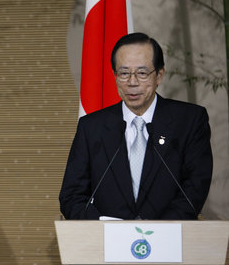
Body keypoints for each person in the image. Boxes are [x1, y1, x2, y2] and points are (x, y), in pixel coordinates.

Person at [59, 32, 212, 220]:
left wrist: (156, 230)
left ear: (159, 75)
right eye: (124, 73)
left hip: (170, 240)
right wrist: (103, 225)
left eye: (142, 73)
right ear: (115, 75)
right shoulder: (91, 128)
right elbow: (71, 196)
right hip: (107, 241)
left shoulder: (189, 121)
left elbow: (195, 188)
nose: (132, 82)